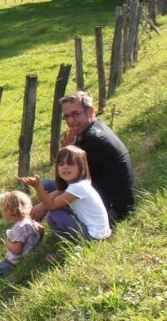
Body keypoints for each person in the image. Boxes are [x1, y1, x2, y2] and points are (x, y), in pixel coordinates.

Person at [32, 90, 135, 224]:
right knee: (46, 185)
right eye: (67, 116)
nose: (70, 121)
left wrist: (44, 205)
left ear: (90, 111)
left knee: (55, 217)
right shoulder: (94, 129)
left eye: (75, 114)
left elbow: (71, 183)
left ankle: (86, 235)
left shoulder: (94, 139)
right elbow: (67, 180)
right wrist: (68, 151)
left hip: (113, 211)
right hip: (101, 195)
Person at [22, 145, 111, 241]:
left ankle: (66, 244)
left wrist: (38, 187)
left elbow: (51, 205)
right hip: (99, 232)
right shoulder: (81, 183)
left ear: (81, 167)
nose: (65, 167)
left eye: (70, 164)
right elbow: (57, 194)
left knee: (55, 214)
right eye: (61, 164)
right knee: (57, 208)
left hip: (94, 236)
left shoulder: (78, 187)